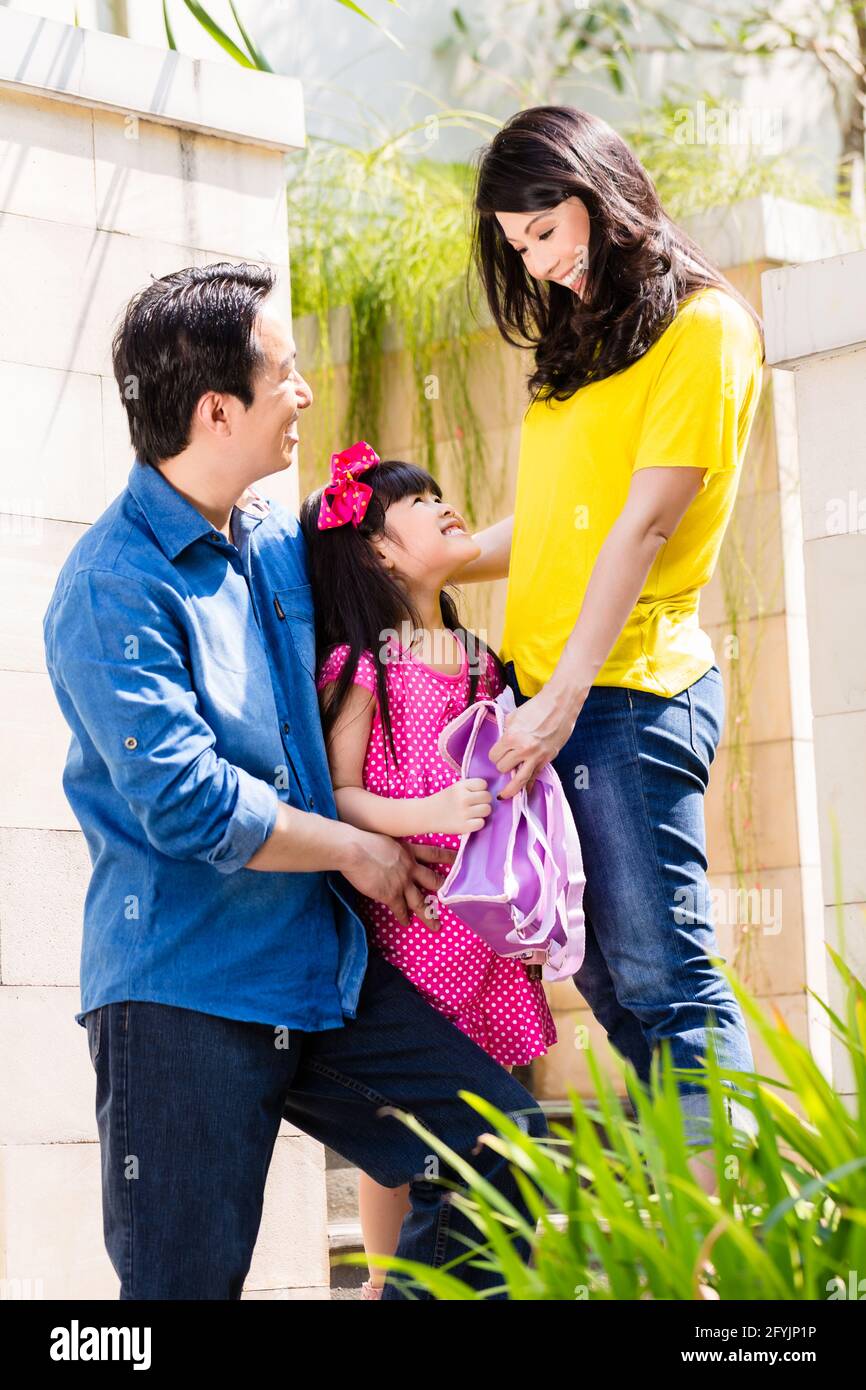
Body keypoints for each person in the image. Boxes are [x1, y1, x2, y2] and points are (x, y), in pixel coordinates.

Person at [41, 261, 548, 1301]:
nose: (305, 393)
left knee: (508, 1161)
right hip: (181, 995)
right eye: (286, 372)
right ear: (218, 408)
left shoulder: (280, 540)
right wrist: (359, 847)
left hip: (320, 978)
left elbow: (406, 559)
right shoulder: (109, 586)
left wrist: (603, 535)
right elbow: (186, 800)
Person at [453, 105, 765, 1183]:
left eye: (542, 234)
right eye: (516, 246)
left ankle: (745, 1262)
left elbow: (643, 526)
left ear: (597, 193)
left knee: (668, 980)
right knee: (617, 992)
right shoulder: (585, 342)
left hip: (625, 697)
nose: (534, 266)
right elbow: (556, 523)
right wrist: (440, 560)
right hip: (560, 708)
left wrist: (558, 702)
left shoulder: (704, 329)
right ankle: (689, 1233)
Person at [299, 445, 557, 1297]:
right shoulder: (363, 664)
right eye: (418, 503)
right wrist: (427, 816)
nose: (446, 506)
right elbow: (340, 795)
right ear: (376, 550)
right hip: (413, 919)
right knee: (406, 1122)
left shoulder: (485, 659)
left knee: (480, 1098)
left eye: (444, 495)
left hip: (482, 921)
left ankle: (480, 1262)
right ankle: (382, 1281)